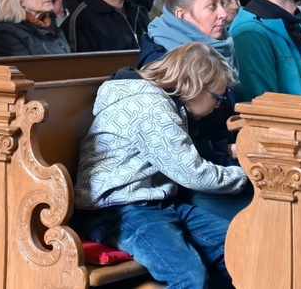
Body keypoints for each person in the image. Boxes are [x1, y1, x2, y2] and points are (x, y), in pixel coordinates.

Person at [75, 42, 248, 288]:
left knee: (239, 249)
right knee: (188, 277)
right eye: (217, 98)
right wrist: (249, 175)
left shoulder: (162, 102)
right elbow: (193, 173)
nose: (218, 106)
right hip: (117, 209)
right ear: (194, 86)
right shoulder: (151, 108)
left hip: (158, 202)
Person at [137, 0, 249, 219]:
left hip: (222, 161)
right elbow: (177, 145)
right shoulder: (164, 62)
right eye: (212, 6)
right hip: (186, 181)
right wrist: (227, 150)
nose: (223, 13)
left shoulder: (217, 46)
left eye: (222, 3)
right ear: (182, 16)